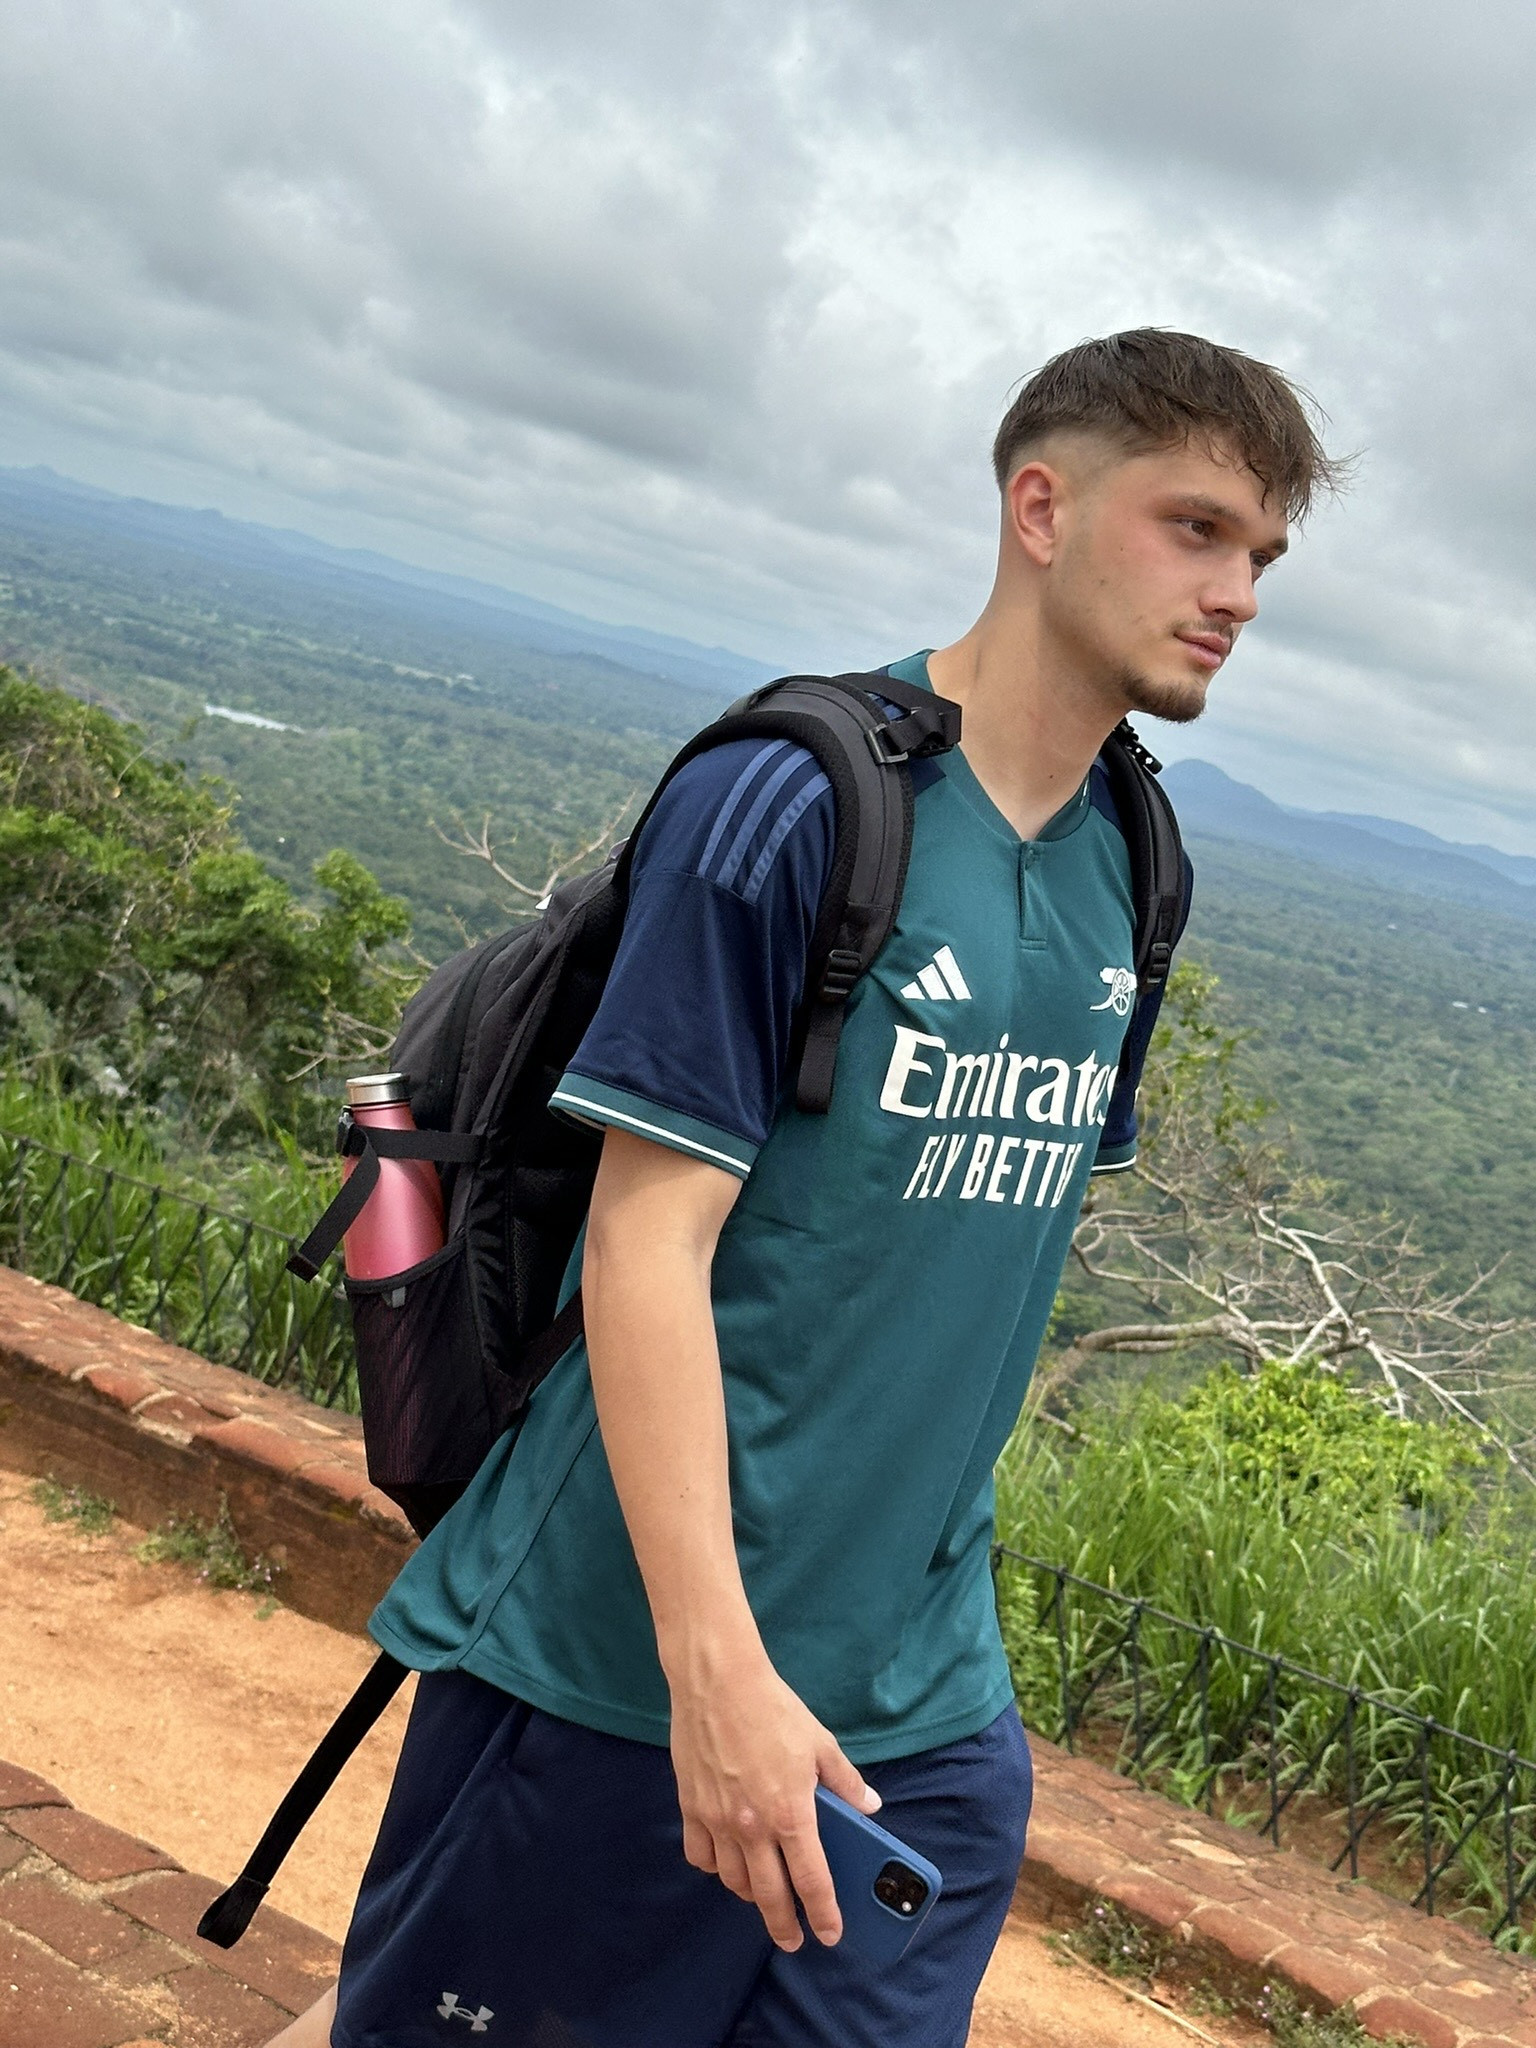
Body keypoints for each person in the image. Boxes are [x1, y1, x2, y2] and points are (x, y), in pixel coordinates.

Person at [271, 328, 1339, 2048]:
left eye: (1262, 556)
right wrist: (714, 1673)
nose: (1238, 594)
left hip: (922, 1702)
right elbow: (644, 1235)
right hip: (627, 1665)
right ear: (1043, 509)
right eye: (1197, 529)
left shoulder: (1133, 865)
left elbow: (961, 1263)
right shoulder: (794, 806)